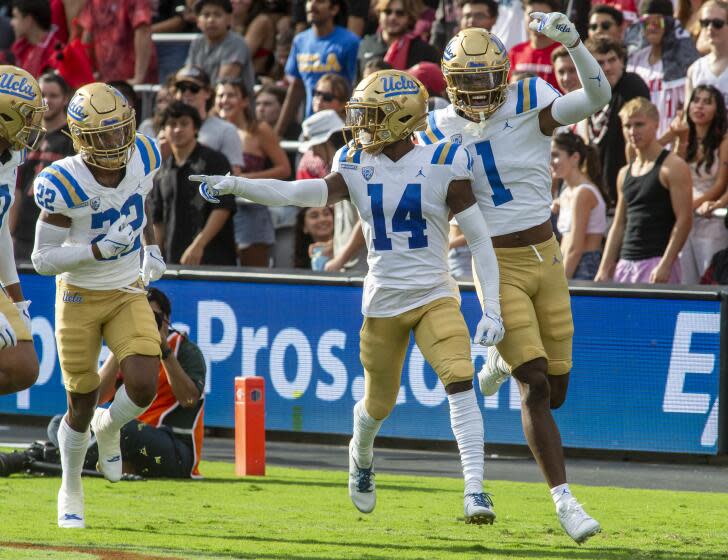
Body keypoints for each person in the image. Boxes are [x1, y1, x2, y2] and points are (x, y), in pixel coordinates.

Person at [191, 69, 506, 524]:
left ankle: (475, 490)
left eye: (373, 115)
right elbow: (301, 193)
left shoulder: (445, 160)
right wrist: (239, 185)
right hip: (383, 302)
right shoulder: (356, 159)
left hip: (436, 292)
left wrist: (490, 307)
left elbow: (478, 240)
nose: (361, 125)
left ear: (401, 119)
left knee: (460, 379)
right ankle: (360, 450)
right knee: (380, 403)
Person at [422, 17, 610, 542]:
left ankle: (500, 361)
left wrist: (573, 43)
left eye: (487, 79)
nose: (480, 91)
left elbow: (596, 97)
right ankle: (565, 501)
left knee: (558, 391)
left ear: (504, 74)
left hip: (547, 256)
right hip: (495, 264)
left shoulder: (529, 95)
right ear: (451, 81)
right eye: (469, 80)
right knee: (536, 383)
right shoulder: (436, 126)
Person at [30, 83, 167, 528]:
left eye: (118, 131)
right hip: (79, 295)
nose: (113, 143)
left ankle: (110, 429)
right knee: (82, 401)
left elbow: (139, 206)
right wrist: (96, 251)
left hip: (127, 286)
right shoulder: (63, 181)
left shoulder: (145, 153)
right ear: (79, 138)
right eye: (101, 136)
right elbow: (42, 259)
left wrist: (152, 248)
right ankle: (71, 486)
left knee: (144, 383)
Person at [43, 287, 207, 478]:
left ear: (166, 319)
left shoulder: (184, 349)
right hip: (128, 438)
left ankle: (51, 459)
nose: (143, 322)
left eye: (151, 317)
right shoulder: (128, 351)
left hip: (175, 449)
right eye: (137, 316)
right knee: (61, 422)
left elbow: (189, 400)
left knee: (122, 429)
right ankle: (75, 459)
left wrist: (164, 350)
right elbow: (95, 399)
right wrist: (118, 348)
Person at [595, 97, 693, 284]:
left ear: (656, 124)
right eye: (627, 126)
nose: (632, 131)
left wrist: (666, 264)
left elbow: (685, 220)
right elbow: (619, 224)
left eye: (639, 124)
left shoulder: (673, 166)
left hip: (657, 260)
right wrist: (604, 267)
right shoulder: (625, 172)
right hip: (625, 263)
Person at [0, 65, 45, 396]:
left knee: (23, 367)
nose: (35, 125)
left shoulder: (11, 152)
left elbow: (0, 229)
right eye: (27, 116)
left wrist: (16, 300)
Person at [215, 77, 290, 266]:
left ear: (245, 101)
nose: (224, 100)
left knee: (254, 273)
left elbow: (284, 169)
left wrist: (243, 180)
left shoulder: (259, 129)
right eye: (220, 95)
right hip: (215, 211)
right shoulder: (208, 130)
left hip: (251, 212)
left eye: (231, 95)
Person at [152, 101, 237, 266]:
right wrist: (154, 254)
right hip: (173, 259)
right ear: (164, 130)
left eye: (184, 123)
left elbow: (223, 207)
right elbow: (158, 219)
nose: (177, 129)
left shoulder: (215, 160)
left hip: (214, 257)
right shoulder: (162, 170)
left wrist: (199, 245)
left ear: (195, 128)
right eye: (171, 124)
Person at [11, 73, 74, 263]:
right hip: (24, 232)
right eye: (42, 95)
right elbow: (17, 188)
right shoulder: (25, 137)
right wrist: (10, 233)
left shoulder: (74, 139)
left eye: (53, 96)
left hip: (58, 233)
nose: (47, 101)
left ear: (65, 99)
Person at [275, 0, 359, 135]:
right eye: (308, 1)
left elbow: (356, 87)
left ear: (334, 9)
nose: (311, 5)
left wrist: (353, 129)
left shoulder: (351, 42)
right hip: (310, 126)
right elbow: (297, 87)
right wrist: (278, 132)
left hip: (341, 128)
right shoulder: (300, 41)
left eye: (319, 1)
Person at [582, 37, 650, 203]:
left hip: (627, 194)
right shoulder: (589, 93)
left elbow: (636, 142)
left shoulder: (631, 85)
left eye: (612, 60)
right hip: (598, 197)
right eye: (600, 62)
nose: (607, 67)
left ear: (622, 61)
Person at [672, 86, 728, 283]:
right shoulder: (684, 137)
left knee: (709, 281)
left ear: (718, 110)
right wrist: (681, 139)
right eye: (696, 101)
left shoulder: (724, 140)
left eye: (707, 102)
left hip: (711, 219)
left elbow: (721, 184)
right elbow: (674, 171)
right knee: (685, 280)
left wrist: (692, 206)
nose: (700, 106)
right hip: (684, 220)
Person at [626, 0, 699, 136]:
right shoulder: (635, 61)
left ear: (670, 24)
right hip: (640, 140)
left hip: (672, 140)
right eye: (647, 23)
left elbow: (685, 111)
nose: (652, 28)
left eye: (658, 22)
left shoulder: (684, 62)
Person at [550, 132, 608, 280]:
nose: (551, 162)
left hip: (583, 267)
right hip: (566, 264)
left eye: (556, 155)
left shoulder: (583, 193)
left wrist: (561, 285)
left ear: (575, 158)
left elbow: (575, 248)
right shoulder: (566, 193)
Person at [171, 66, 243, 172]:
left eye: (193, 88)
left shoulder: (226, 130)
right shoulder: (166, 127)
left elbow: (233, 175)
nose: (187, 93)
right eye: (181, 88)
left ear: (208, 92)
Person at [78, 0, 157, 84]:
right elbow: (87, 34)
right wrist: (89, 72)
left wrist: (139, 77)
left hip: (131, 82)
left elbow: (143, 31)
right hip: (106, 78)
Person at [356, 0, 440, 78]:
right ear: (379, 14)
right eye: (387, 12)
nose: (393, 17)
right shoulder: (366, 44)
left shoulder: (425, 51)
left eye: (400, 13)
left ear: (409, 17)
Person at [185, 0, 255, 93]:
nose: (211, 20)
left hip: (229, 103)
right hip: (202, 100)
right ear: (198, 21)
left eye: (217, 15)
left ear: (229, 19)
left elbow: (222, 85)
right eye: (206, 15)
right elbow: (189, 76)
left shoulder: (236, 43)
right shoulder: (197, 42)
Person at [507, 0, 563, 89]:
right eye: (532, 14)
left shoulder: (563, 52)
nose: (537, 20)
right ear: (524, 15)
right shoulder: (515, 52)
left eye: (543, 15)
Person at [685, 0, 728, 108]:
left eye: (717, 24)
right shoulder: (695, 70)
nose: (710, 28)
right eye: (705, 23)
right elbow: (688, 116)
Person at [10, 0, 64, 78]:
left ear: (28, 20)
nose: (11, 22)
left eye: (15, 17)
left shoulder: (56, 52)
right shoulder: (19, 46)